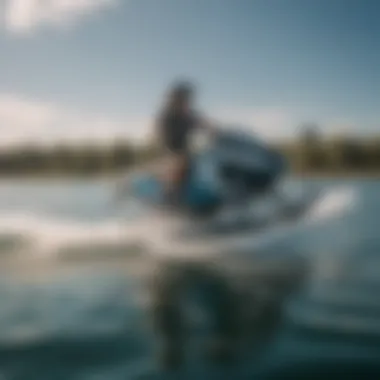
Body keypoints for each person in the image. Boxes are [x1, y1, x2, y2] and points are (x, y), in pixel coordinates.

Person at [155, 81, 216, 203]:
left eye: (188, 99)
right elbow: (164, 138)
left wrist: (216, 131)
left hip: (186, 153)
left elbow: (204, 124)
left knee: (203, 162)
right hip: (170, 152)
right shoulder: (167, 116)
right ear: (176, 99)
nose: (187, 102)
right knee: (178, 164)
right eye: (184, 99)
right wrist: (175, 155)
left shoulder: (188, 115)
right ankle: (168, 200)